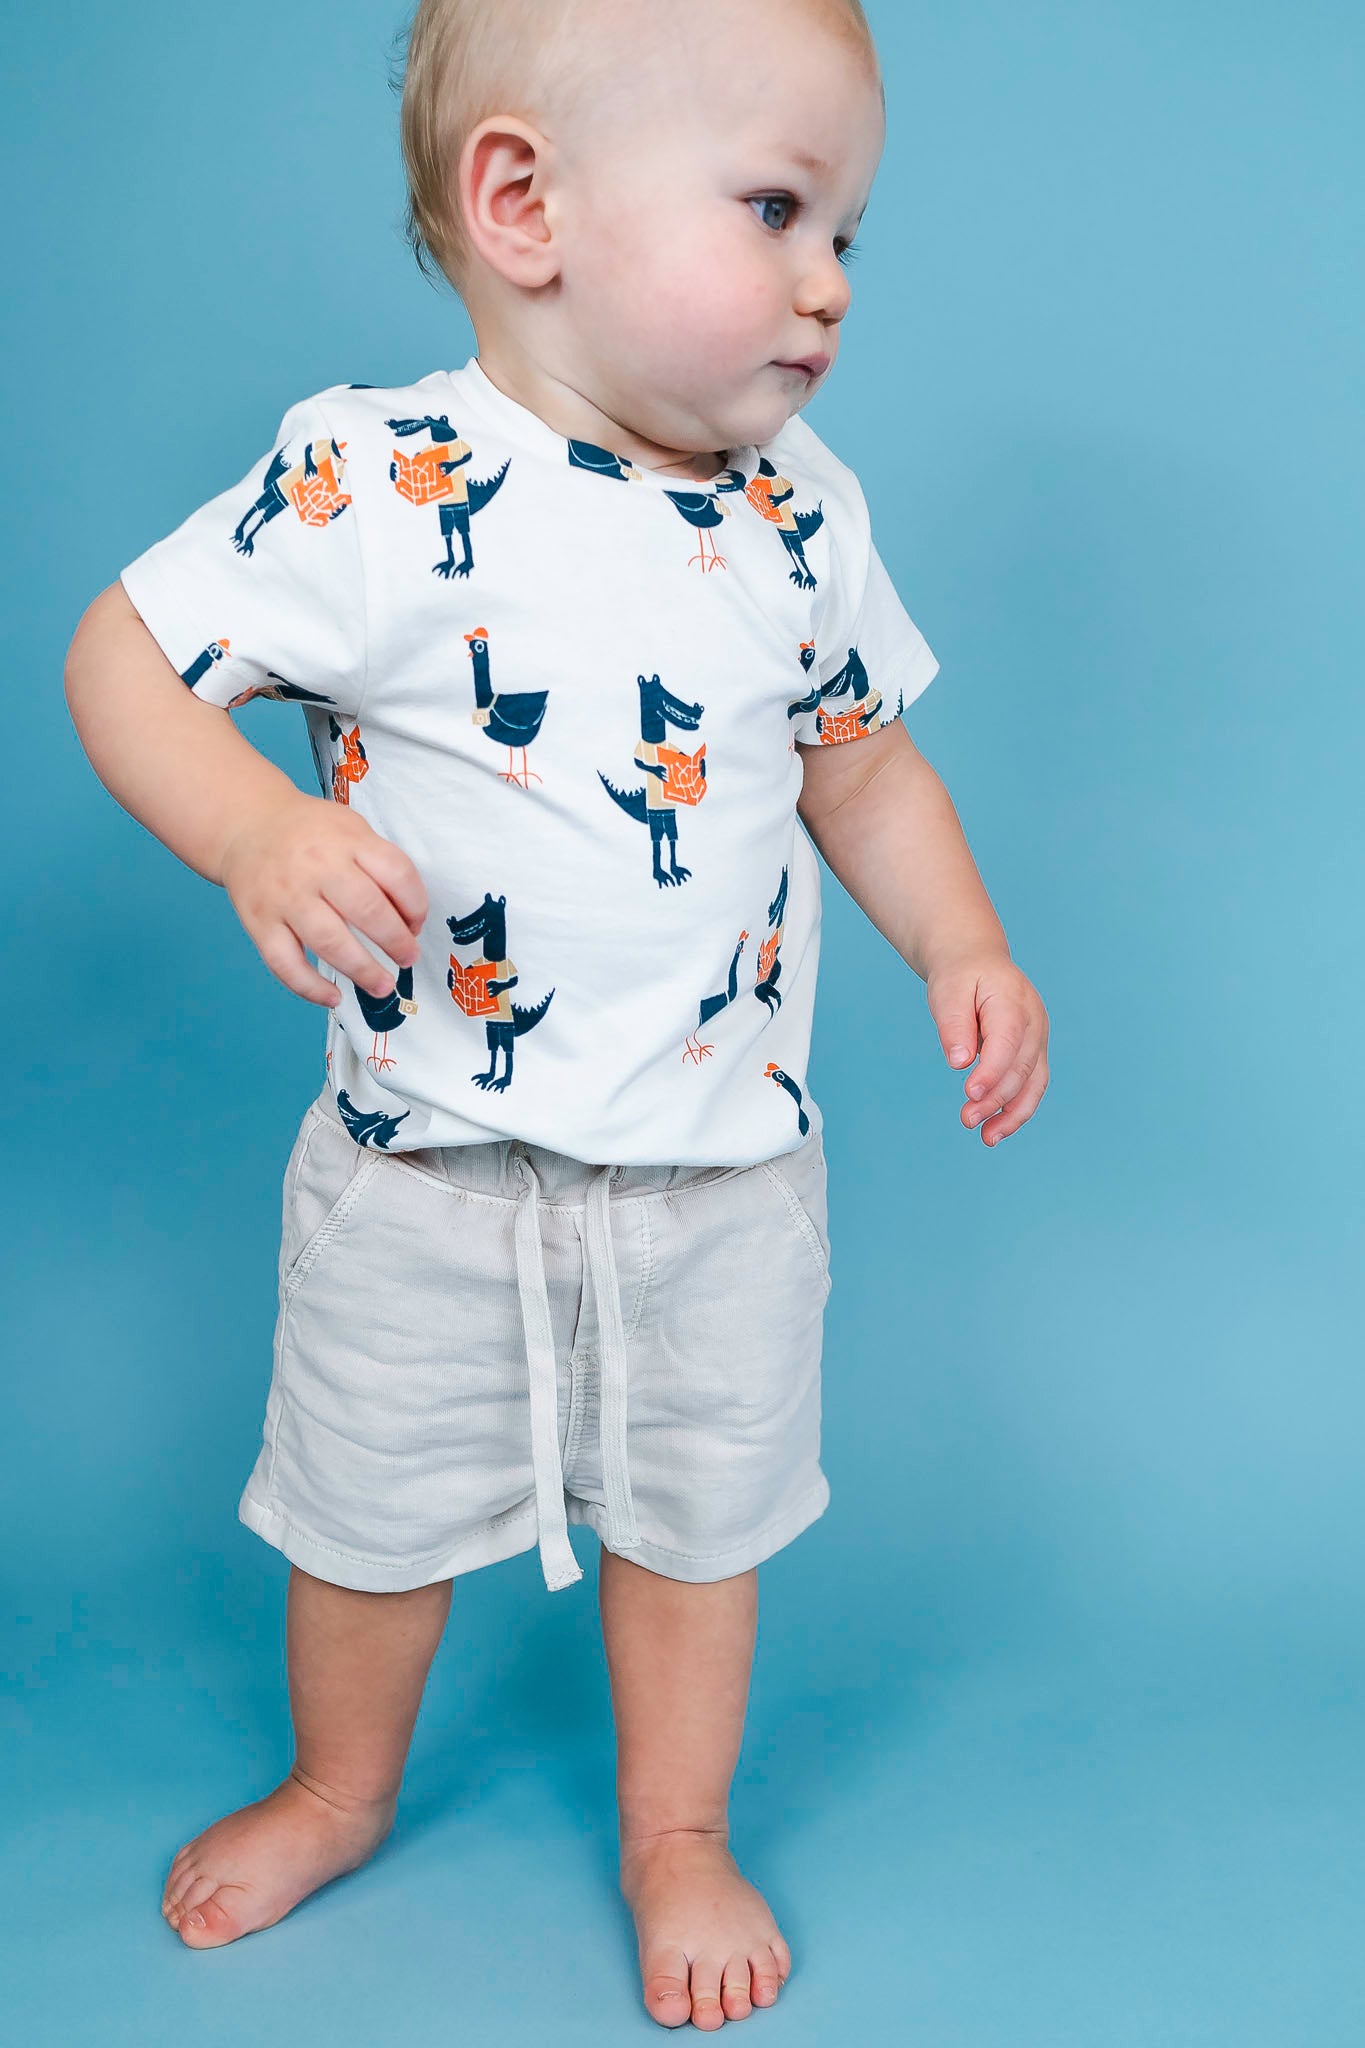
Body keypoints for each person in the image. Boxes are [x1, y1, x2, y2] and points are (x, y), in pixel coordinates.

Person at [63, 0, 1050, 2026]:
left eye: (847, 230)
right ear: (523, 204)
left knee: (699, 1528)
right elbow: (120, 659)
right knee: (367, 1521)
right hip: (426, 1171)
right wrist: (255, 830)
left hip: (717, 1178)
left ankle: (673, 1826)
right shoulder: (372, 479)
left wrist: (959, 942)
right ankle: (339, 1788)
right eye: (774, 210)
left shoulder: (802, 515)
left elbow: (861, 766)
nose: (828, 282)